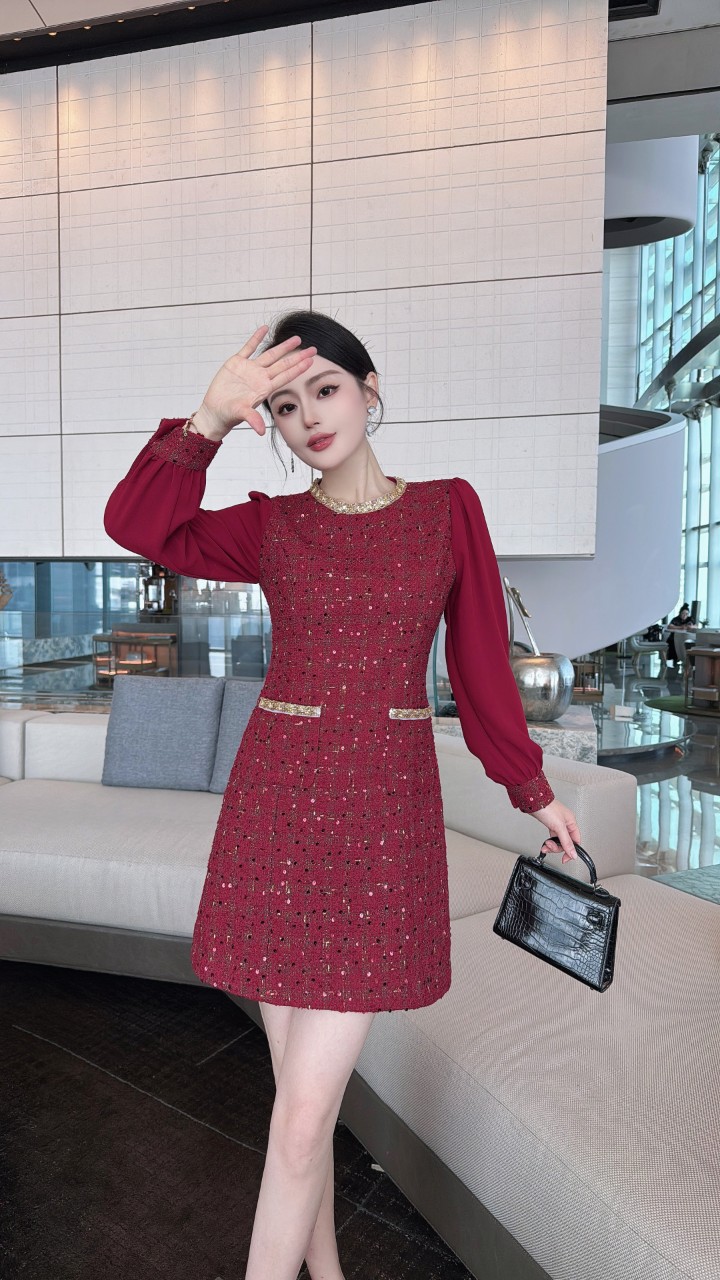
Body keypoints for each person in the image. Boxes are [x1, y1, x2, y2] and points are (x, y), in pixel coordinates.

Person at [103, 313, 582, 1280]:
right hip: (275, 813)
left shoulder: (448, 510)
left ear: (371, 389)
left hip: (382, 824)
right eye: (285, 406)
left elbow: (480, 663)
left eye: (325, 390)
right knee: (301, 1105)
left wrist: (530, 789)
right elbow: (137, 525)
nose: (310, 418)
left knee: (299, 1117)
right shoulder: (272, 525)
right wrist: (207, 419)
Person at [666, 603, 697, 669]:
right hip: (675, 637)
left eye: (686, 614)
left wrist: (690, 627)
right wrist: (680, 627)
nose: (684, 615)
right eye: (683, 613)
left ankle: (687, 660)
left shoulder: (690, 619)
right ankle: (675, 660)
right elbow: (670, 626)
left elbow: (695, 626)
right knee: (673, 643)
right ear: (680, 613)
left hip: (685, 637)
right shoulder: (676, 619)